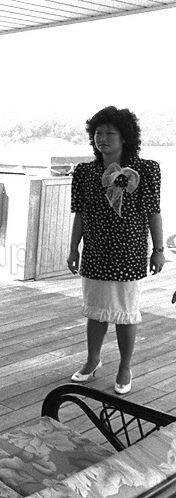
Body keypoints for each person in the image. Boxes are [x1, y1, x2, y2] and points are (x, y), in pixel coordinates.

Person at [67, 106, 165, 395]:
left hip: (130, 250)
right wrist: (73, 248)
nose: (103, 138)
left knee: (126, 311)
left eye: (110, 132)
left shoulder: (146, 169)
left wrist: (158, 250)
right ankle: (92, 360)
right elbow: (80, 214)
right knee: (96, 310)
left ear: (125, 137)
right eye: (98, 132)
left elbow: (153, 213)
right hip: (96, 250)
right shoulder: (85, 172)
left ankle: (125, 366)